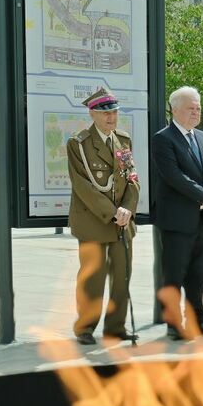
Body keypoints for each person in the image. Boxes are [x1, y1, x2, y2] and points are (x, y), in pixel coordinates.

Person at [67, 88, 140, 345]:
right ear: (93, 114)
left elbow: (132, 180)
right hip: (93, 221)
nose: (112, 118)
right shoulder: (79, 143)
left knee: (122, 276)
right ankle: (85, 328)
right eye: (106, 113)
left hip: (122, 222)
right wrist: (113, 213)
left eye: (115, 112)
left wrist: (128, 210)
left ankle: (116, 327)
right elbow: (83, 186)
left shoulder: (123, 140)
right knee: (92, 279)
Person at [152, 86, 203, 340]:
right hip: (177, 220)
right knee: (174, 274)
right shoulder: (163, 138)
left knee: (198, 273)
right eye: (190, 108)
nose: (196, 112)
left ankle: (198, 319)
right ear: (175, 109)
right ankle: (174, 324)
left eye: (198, 108)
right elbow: (173, 176)